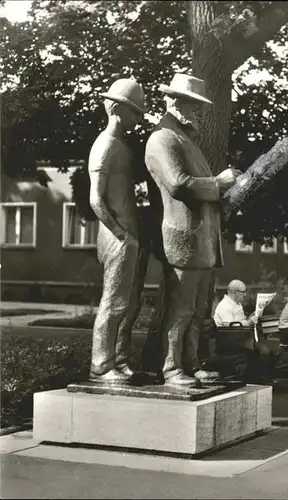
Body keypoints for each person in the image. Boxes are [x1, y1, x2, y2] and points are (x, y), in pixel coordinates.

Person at [145, 73, 240, 388]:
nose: (200, 112)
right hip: (183, 237)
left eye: (201, 107)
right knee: (181, 308)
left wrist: (224, 189)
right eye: (194, 105)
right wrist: (219, 182)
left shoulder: (187, 140)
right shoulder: (162, 138)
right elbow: (177, 184)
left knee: (198, 310)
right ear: (173, 101)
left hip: (202, 240)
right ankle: (172, 368)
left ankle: (191, 363)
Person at [88, 78, 146, 384]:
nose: (138, 118)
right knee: (113, 302)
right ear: (115, 109)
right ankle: (101, 364)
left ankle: (120, 360)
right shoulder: (106, 146)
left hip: (128, 236)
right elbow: (95, 198)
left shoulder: (122, 147)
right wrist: (121, 234)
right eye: (134, 112)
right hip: (117, 238)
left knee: (130, 303)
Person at [214, 279, 281, 384]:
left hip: (242, 337)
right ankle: (257, 377)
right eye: (243, 292)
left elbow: (241, 322)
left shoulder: (236, 304)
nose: (244, 295)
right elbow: (229, 326)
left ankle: (259, 375)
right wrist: (248, 323)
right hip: (231, 340)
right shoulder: (224, 306)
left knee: (276, 349)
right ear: (234, 292)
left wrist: (255, 314)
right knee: (264, 351)